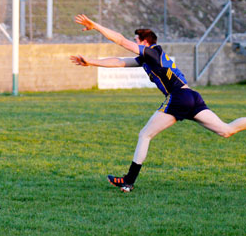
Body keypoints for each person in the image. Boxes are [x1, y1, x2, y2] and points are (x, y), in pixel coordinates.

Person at [70, 14, 246, 193]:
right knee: (226, 130)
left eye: (136, 41)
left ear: (145, 42)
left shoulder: (153, 51)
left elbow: (121, 40)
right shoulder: (148, 58)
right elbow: (120, 61)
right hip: (191, 95)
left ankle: (128, 181)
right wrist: (90, 62)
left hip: (178, 96)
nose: (134, 44)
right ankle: (128, 181)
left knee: (145, 135)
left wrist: (96, 26)